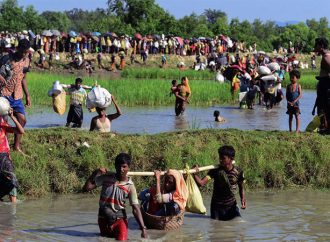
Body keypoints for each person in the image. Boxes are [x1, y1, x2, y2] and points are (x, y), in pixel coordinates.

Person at [82, 153, 148, 240]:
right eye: (119, 166)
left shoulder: (130, 186)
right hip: (103, 218)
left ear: (128, 167)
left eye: (124, 167)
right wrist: (95, 173)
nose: (121, 169)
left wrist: (143, 228)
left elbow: (135, 208)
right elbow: (86, 188)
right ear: (115, 166)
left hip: (120, 219)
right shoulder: (106, 178)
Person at [193, 145, 246, 221]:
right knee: (216, 227)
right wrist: (195, 174)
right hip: (217, 207)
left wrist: (243, 199)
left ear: (231, 159)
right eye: (220, 157)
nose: (220, 160)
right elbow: (201, 183)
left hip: (231, 206)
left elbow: (241, 187)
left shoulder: (238, 171)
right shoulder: (215, 171)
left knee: (238, 223)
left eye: (223, 158)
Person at [0, 38, 31, 152]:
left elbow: (23, 78)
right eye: (22, 51)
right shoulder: (7, 59)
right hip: (4, 93)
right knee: (4, 122)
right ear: (18, 49)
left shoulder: (27, 60)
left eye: (26, 52)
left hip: (17, 94)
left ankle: (16, 146)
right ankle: (4, 147)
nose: (24, 54)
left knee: (22, 120)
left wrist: (27, 95)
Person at [0, 108, 24, 203]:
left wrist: (12, 117)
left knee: (11, 179)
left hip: (4, 156)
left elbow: (21, 131)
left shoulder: (3, 127)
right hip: (3, 156)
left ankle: (13, 205)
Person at [314, 37, 330, 133]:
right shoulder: (327, 55)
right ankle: (325, 127)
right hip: (325, 83)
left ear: (321, 46)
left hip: (326, 85)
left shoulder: (326, 57)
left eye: (316, 45)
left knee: (323, 106)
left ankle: (326, 128)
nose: (315, 47)